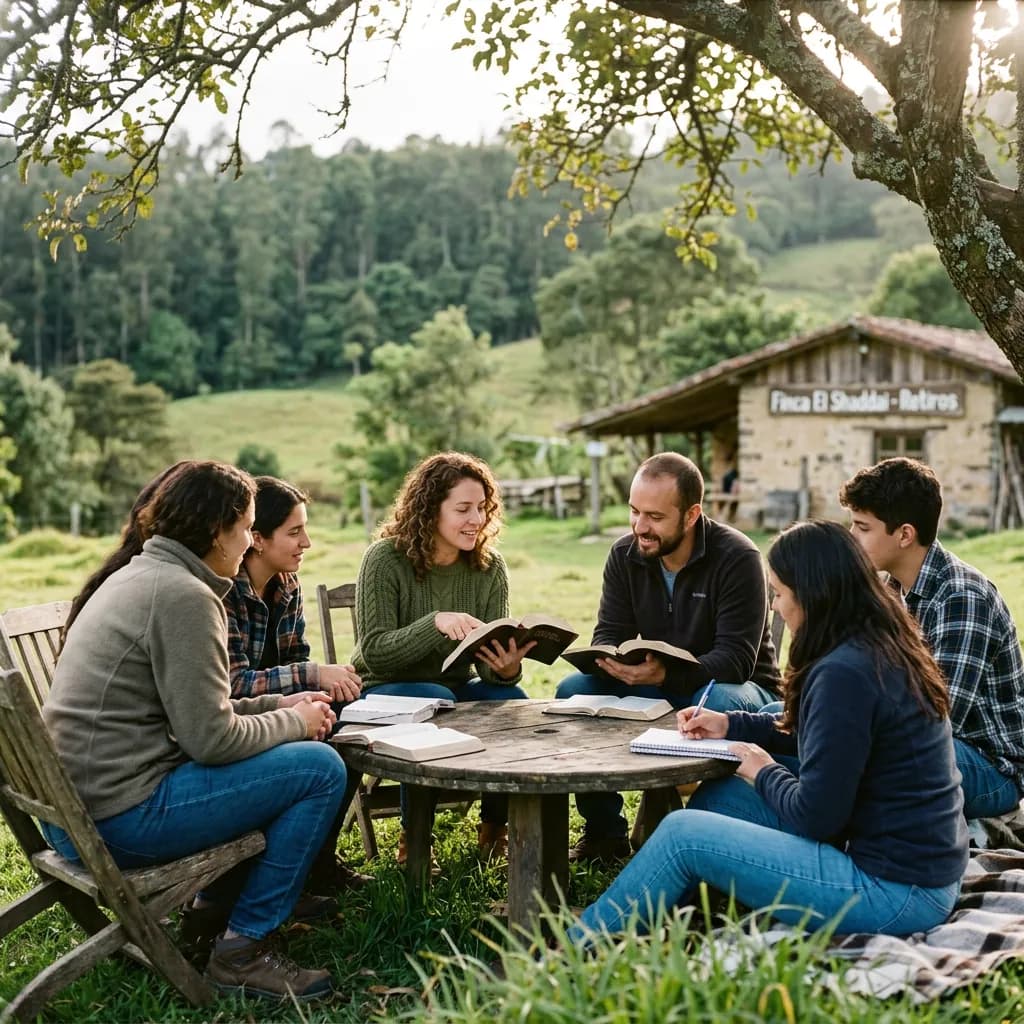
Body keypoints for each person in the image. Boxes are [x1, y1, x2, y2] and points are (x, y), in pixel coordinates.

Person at [571, 521, 968, 944]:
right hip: (913, 870)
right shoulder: (870, 643)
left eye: (778, 594)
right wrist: (732, 724)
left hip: (896, 893)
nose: (775, 607)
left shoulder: (844, 673)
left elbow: (816, 818)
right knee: (723, 798)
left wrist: (761, 769)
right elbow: (822, 734)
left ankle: (575, 948)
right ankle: (661, 910)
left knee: (682, 834)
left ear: (813, 596)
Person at [42, 461, 346, 1003]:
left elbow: (203, 707)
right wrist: (294, 722)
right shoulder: (184, 595)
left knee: (291, 753)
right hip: (118, 822)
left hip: (74, 814)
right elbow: (211, 739)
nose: (251, 539)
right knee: (319, 769)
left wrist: (282, 703)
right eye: (248, 526)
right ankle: (243, 950)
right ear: (217, 529)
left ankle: (214, 908)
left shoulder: (140, 574)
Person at [555, 452, 782, 863]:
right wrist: (611, 663)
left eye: (655, 517)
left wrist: (664, 675)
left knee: (717, 702)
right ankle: (605, 833)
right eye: (634, 512)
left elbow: (736, 661)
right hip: (657, 682)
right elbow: (609, 633)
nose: (641, 527)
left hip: (741, 691)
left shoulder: (737, 557)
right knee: (573, 692)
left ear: (692, 514)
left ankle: (692, 831)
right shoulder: (624, 555)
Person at [351, 451, 531, 860]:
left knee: (512, 703)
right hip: (385, 691)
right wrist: (433, 623)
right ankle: (414, 840)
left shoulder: (489, 567)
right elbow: (374, 653)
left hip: (452, 690)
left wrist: (506, 668)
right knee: (430, 695)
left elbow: (485, 665)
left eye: (482, 508)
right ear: (430, 511)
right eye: (463, 509)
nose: (476, 520)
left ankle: (494, 831)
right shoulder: (385, 559)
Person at [840, 457, 1024, 820]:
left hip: (988, 766)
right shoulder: (889, 588)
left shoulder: (962, 596)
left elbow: (936, 718)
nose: (851, 537)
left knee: (875, 754)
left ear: (904, 534)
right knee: (803, 729)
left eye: (862, 527)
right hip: (925, 744)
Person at [224, 475, 370, 895]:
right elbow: (233, 685)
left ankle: (317, 858)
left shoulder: (287, 586)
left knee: (347, 727)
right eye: (294, 531)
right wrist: (313, 676)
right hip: (242, 721)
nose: (306, 542)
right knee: (326, 741)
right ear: (256, 538)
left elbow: (292, 660)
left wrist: (317, 691)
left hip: (282, 709)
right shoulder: (225, 595)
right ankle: (296, 867)